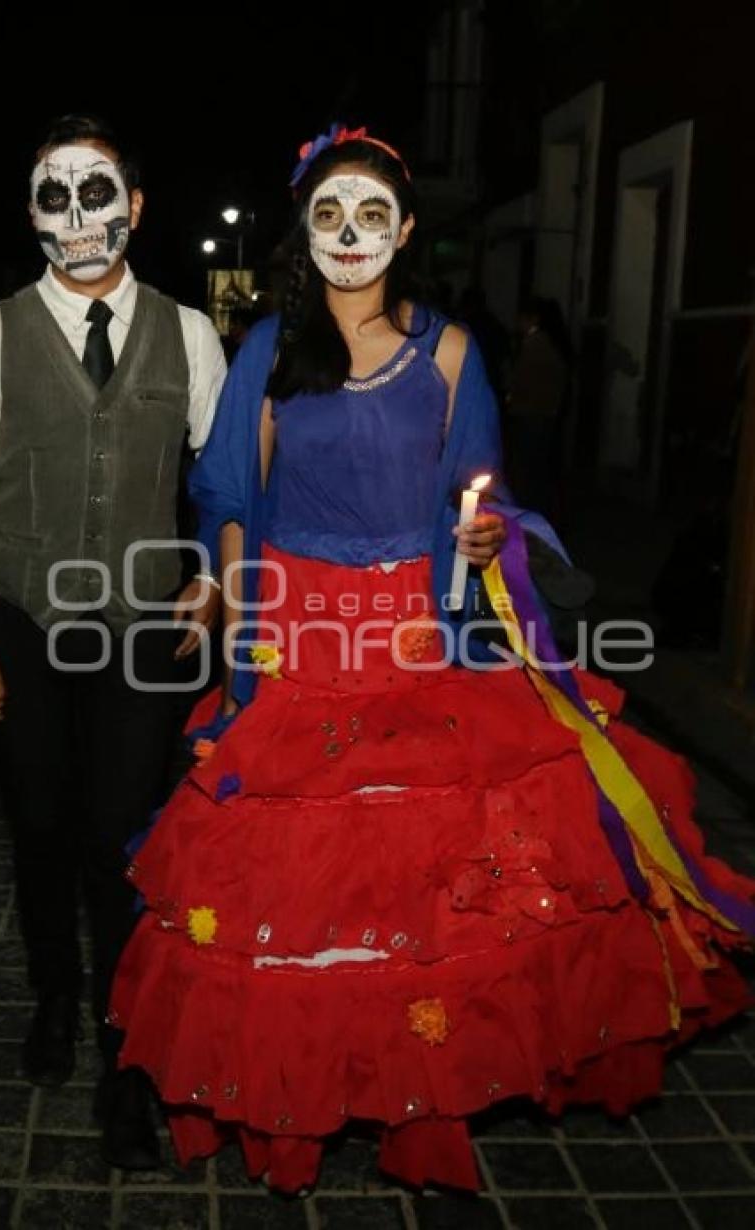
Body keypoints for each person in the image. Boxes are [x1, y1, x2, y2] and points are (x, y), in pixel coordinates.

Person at [110, 125, 755, 1193]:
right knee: (300, 879)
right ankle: (309, 1084)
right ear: (304, 233)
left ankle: (414, 1081)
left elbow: (482, 497)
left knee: (419, 889)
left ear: (404, 231)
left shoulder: (452, 352)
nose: (349, 234)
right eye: (328, 214)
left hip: (417, 635)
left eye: (371, 214)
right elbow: (229, 493)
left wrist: (483, 535)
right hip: (304, 639)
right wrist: (227, 589)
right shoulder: (270, 347)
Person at [0, 113, 226, 1170]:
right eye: (55, 196)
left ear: (135, 208)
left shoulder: (189, 334)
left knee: (119, 838)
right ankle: (54, 992)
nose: (78, 216)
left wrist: (221, 581)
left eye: (99, 194)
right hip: (23, 619)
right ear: (33, 213)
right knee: (41, 825)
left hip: (140, 628)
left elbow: (223, 482)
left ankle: (124, 1055)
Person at [505, 294, 571, 516]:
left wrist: (511, 396)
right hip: (544, 415)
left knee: (529, 472)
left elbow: (521, 381)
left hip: (531, 416)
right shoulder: (550, 344)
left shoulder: (535, 345)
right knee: (539, 470)